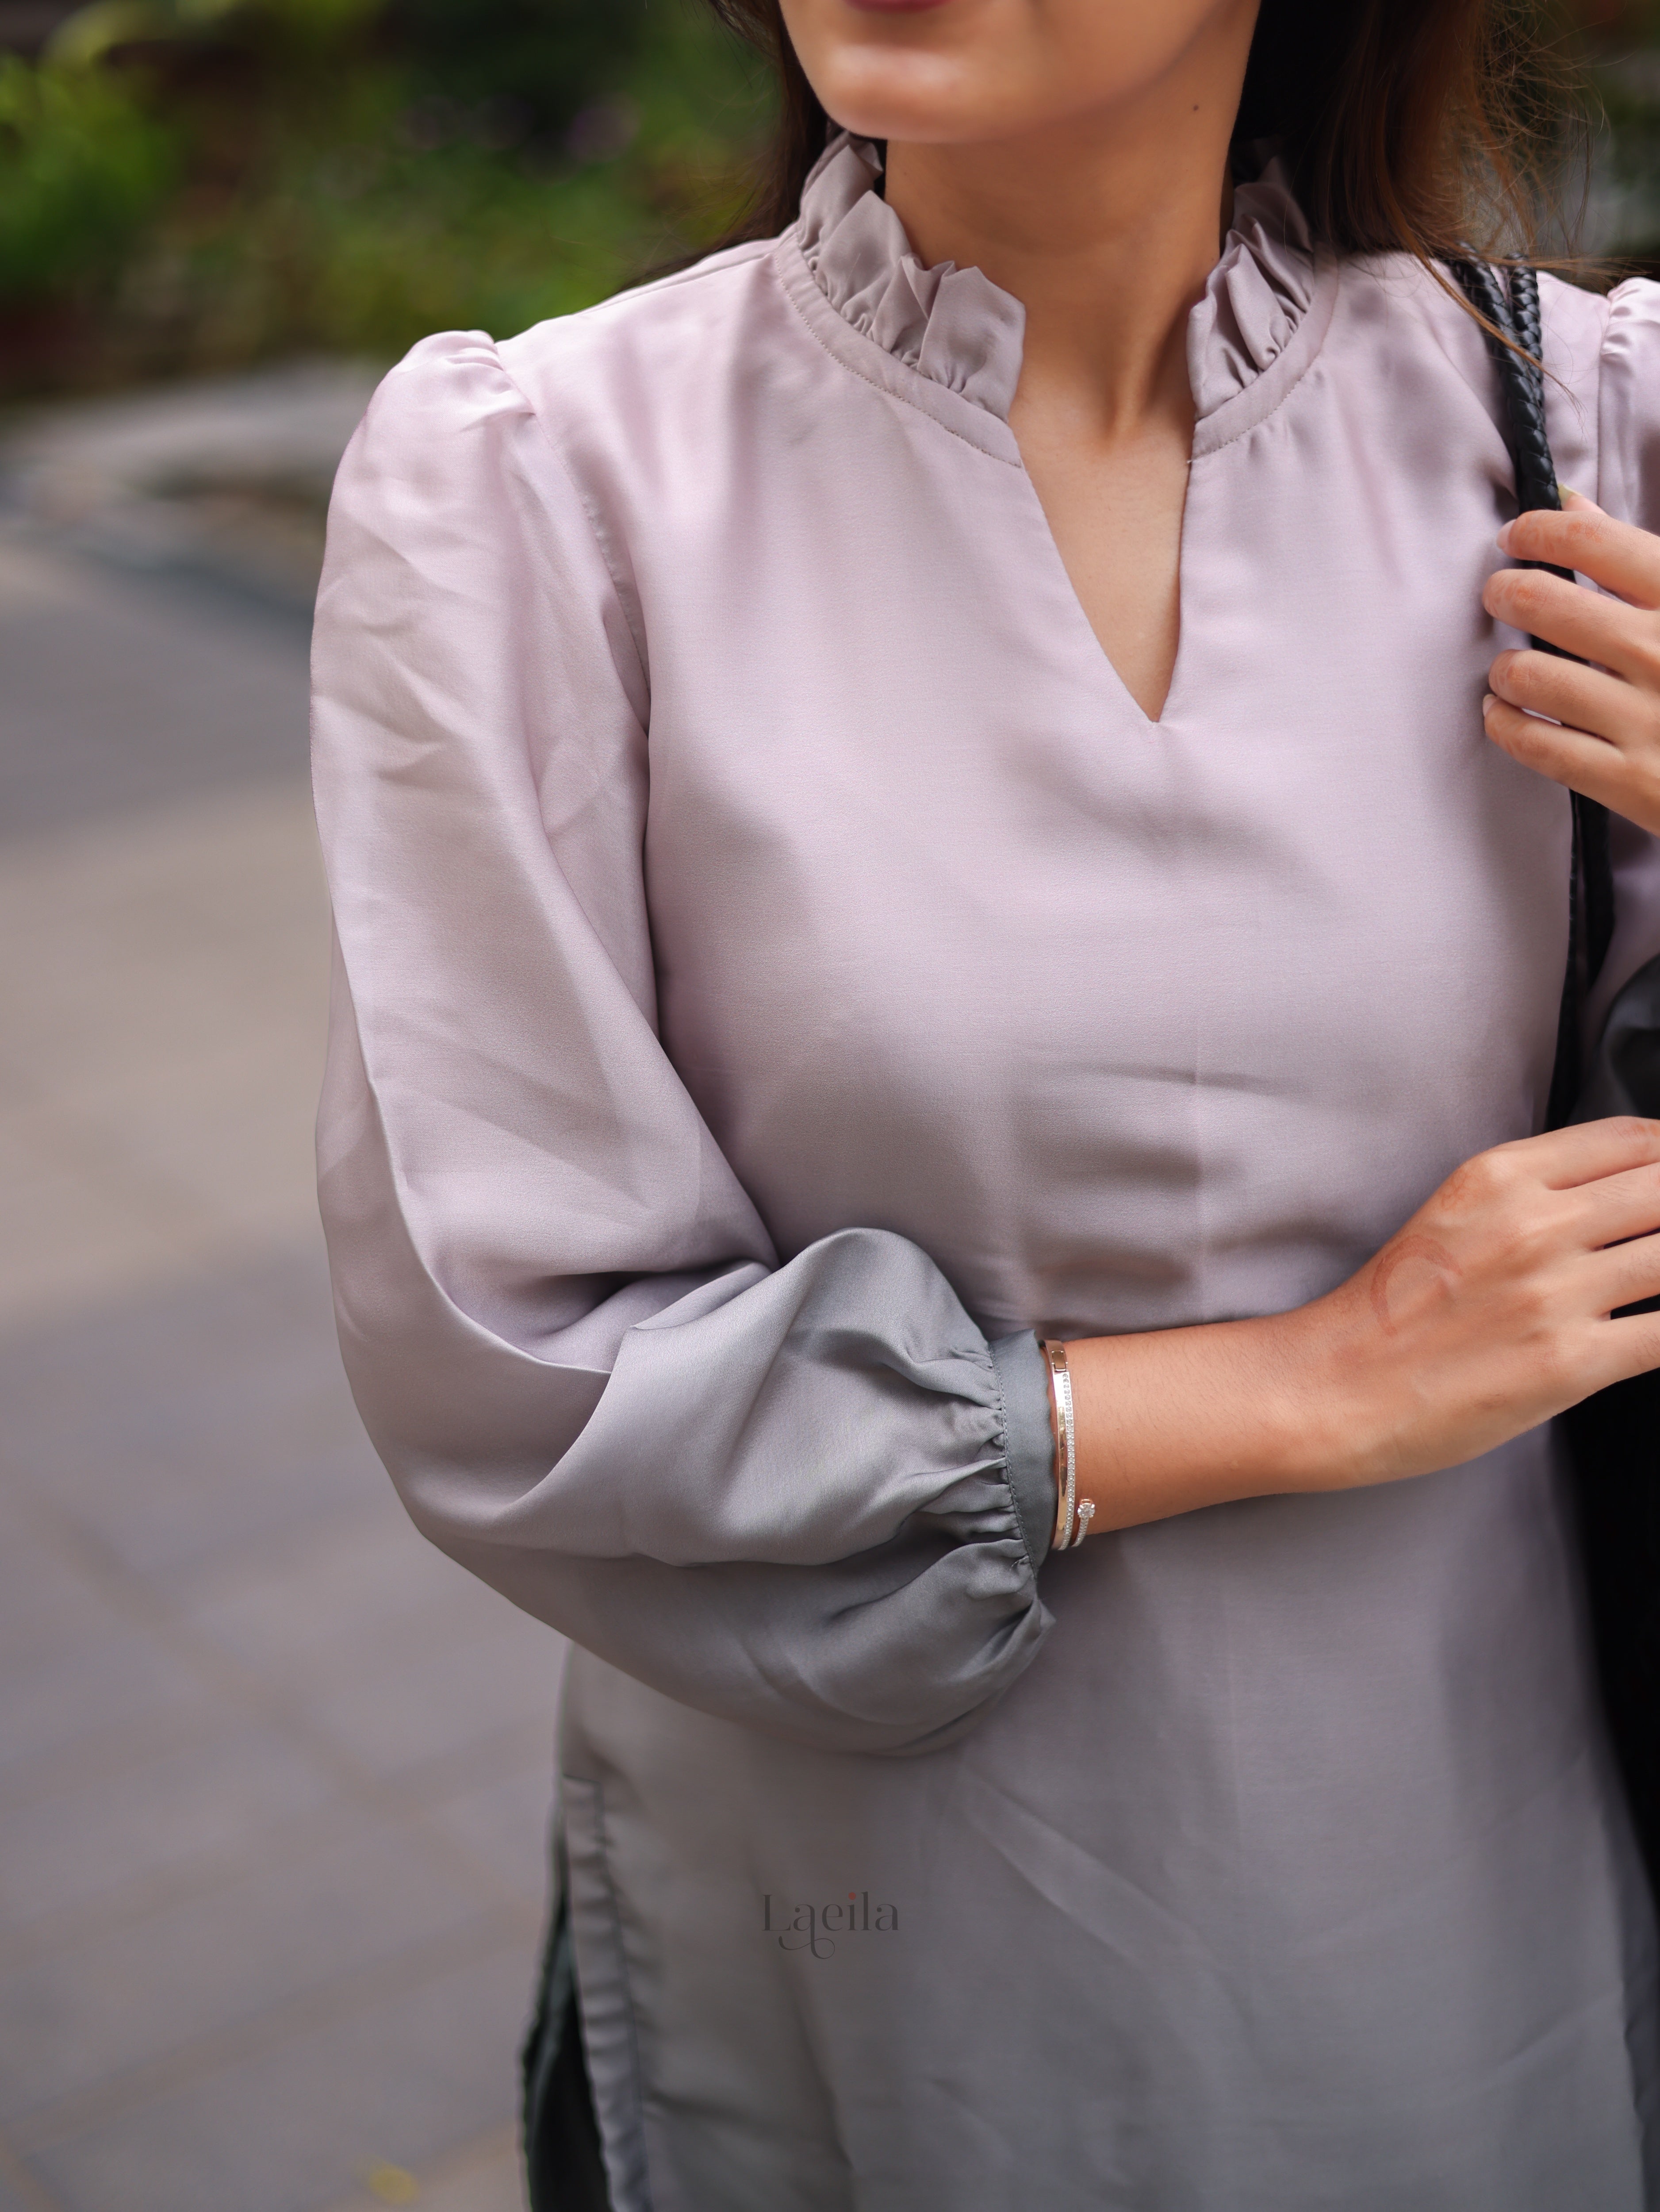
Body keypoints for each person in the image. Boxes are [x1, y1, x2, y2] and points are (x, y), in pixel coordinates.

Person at [310, 0, 1660, 2203]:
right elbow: (514, 1364)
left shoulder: (1590, 427)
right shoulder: (542, 483)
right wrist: (1313, 1382)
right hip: (879, 1931)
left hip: (1461, 1873)